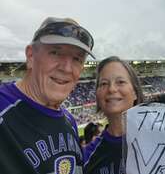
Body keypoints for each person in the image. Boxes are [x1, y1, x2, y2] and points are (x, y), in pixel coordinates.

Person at [0, 17, 95, 174]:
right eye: (55, 52)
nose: (67, 68)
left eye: (77, 58)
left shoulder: (69, 121)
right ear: (31, 56)